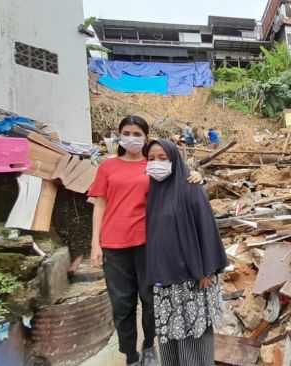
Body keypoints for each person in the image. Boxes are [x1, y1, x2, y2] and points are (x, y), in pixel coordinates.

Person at [88, 116, 203, 366]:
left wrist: (194, 175)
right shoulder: (107, 167)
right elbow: (100, 203)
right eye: (126, 132)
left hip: (148, 244)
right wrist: (95, 244)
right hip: (113, 245)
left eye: (136, 133)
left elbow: (175, 184)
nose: (131, 137)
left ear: (146, 138)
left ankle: (149, 345)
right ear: (119, 136)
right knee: (122, 304)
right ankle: (130, 354)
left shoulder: (153, 165)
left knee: (151, 300)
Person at [145, 139, 228, 366]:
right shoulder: (155, 191)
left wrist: (207, 272)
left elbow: (207, 229)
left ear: (174, 160)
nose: (156, 163)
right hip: (165, 281)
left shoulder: (191, 188)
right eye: (151, 158)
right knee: (170, 336)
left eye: (163, 158)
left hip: (192, 280)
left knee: (194, 335)